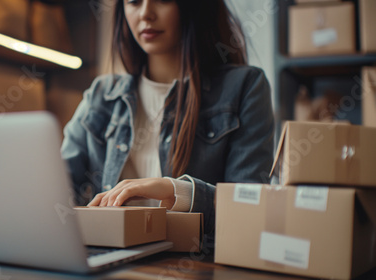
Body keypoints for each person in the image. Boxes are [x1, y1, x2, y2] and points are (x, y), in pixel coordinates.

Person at [61, 0, 274, 248]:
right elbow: (58, 188)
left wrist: (176, 191)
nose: (146, 13)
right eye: (133, 2)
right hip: (109, 258)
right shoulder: (101, 94)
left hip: (195, 266)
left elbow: (249, 207)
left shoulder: (245, 87)